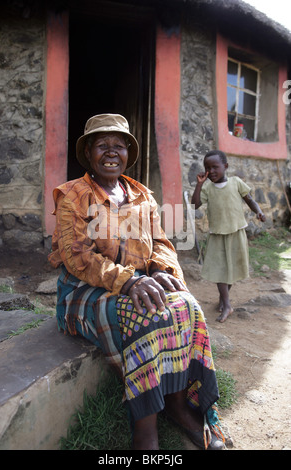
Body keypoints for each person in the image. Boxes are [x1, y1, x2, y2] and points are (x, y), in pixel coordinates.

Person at [48, 114, 225, 450]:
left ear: (129, 152)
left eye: (119, 146)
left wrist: (160, 270)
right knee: (145, 315)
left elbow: (160, 243)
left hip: (139, 282)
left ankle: (177, 406)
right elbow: (77, 257)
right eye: (102, 146)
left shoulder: (141, 195)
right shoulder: (73, 195)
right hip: (85, 291)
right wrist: (128, 281)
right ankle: (146, 430)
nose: (111, 152)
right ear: (88, 153)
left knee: (187, 305)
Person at [192, 149, 266, 323]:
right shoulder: (208, 187)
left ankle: (223, 300)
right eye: (208, 168)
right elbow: (194, 205)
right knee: (219, 270)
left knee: (231, 269)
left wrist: (259, 211)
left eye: (215, 167)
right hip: (217, 234)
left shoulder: (235, 182)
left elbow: (250, 200)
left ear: (225, 166)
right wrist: (199, 185)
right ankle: (227, 305)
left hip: (236, 232)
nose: (212, 171)